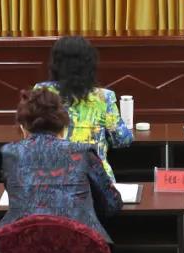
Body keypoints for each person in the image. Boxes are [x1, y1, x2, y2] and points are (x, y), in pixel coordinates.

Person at [0, 87, 126, 253]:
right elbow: (112, 204)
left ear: (23, 127)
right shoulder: (83, 152)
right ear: (64, 126)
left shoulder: (10, 154)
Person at [35, 36, 132, 180]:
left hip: (50, 179)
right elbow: (122, 140)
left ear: (55, 64)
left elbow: (30, 135)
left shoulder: (41, 92)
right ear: (90, 65)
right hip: (95, 181)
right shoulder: (104, 97)